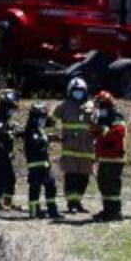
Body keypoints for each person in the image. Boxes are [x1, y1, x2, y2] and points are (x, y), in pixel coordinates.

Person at [49, 77, 95, 213]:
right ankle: (71, 203)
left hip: (87, 149)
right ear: (70, 91)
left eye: (80, 91)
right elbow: (50, 122)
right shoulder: (63, 106)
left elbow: (98, 124)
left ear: (85, 91)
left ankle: (78, 201)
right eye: (75, 90)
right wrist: (52, 136)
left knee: (84, 178)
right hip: (70, 148)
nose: (78, 93)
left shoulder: (91, 106)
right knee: (71, 177)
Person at [89, 91, 127, 222]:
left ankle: (115, 212)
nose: (101, 108)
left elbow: (118, 133)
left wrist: (103, 131)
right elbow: (94, 133)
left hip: (115, 158)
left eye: (103, 105)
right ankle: (107, 210)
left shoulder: (117, 117)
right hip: (103, 158)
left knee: (113, 186)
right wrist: (95, 127)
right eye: (99, 105)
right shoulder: (101, 118)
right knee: (103, 184)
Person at [21, 102, 62, 220]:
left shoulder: (40, 129)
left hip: (45, 164)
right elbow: (36, 143)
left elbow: (43, 139)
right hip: (35, 165)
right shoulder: (31, 130)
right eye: (41, 116)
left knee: (51, 186)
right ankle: (34, 211)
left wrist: (51, 138)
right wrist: (46, 140)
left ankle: (52, 210)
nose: (43, 119)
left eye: (44, 117)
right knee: (35, 187)